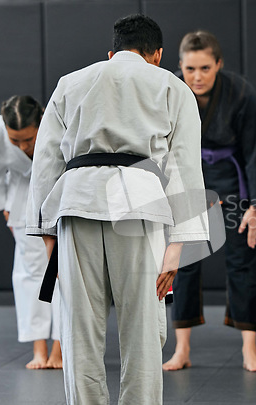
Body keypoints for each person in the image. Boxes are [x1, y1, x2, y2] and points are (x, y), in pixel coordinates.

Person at [26, 14, 208, 405]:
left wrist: (46, 236)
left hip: (77, 204)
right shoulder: (172, 87)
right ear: (157, 54)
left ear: (111, 53)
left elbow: (45, 165)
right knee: (142, 329)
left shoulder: (70, 84)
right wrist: (177, 249)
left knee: (79, 330)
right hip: (140, 206)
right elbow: (185, 169)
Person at [163, 31, 256, 373]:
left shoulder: (241, 93)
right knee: (183, 265)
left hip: (233, 184)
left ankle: (249, 350)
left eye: (205, 68)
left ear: (219, 65)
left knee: (243, 263)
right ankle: (181, 349)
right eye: (190, 68)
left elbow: (255, 153)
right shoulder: (170, 93)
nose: (197, 76)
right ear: (179, 65)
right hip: (188, 184)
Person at [0, 95, 62, 369]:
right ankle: (38, 347)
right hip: (21, 200)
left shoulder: (57, 123)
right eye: (16, 141)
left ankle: (60, 347)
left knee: (63, 272)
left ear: (40, 125)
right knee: (30, 273)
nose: (24, 146)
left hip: (59, 197)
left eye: (29, 139)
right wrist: (1, 203)